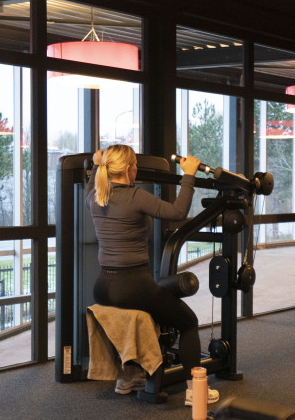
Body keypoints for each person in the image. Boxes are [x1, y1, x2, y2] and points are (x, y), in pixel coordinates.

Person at [85, 144, 219, 406]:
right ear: (128, 169)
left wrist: (95, 163)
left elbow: (93, 180)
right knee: (188, 321)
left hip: (103, 286)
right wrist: (188, 175)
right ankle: (196, 392)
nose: (137, 169)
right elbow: (178, 212)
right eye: (135, 165)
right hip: (132, 286)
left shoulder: (95, 196)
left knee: (157, 299)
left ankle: (129, 377)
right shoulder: (135, 196)